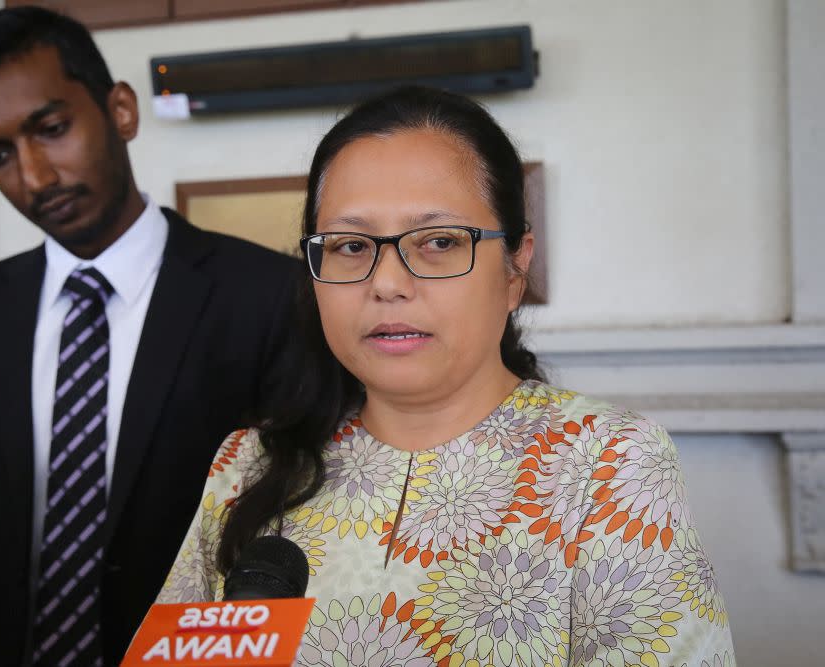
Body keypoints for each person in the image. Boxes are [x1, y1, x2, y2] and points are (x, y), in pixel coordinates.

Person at [154, 86, 736, 666]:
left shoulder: (608, 462)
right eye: (351, 245)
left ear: (515, 267)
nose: (387, 282)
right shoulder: (247, 466)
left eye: (437, 242)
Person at [0, 7, 300, 667]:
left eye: (51, 129)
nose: (33, 177)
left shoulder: (266, 296)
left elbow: (294, 534)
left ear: (121, 111)